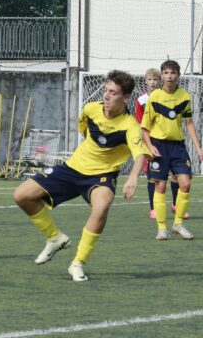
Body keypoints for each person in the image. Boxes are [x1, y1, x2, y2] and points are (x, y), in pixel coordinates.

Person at [13, 70, 149, 282]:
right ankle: (55, 238)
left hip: (102, 175)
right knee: (22, 195)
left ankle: (77, 263)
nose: (106, 96)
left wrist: (132, 178)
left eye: (113, 93)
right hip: (73, 168)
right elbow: (85, 130)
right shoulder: (90, 109)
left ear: (126, 97)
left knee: (102, 206)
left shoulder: (130, 126)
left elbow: (140, 155)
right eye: (105, 90)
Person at [141, 60, 203, 241]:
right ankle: (162, 228)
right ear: (162, 75)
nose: (169, 76)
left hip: (178, 147)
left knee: (185, 183)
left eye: (173, 72)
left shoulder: (185, 96)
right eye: (166, 72)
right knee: (160, 186)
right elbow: (144, 127)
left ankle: (178, 224)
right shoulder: (154, 97)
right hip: (158, 146)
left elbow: (189, 123)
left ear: (178, 75)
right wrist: (150, 145)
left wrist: (199, 148)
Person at [135, 68, 183, 220]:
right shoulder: (141, 100)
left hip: (170, 141)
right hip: (151, 141)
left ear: (160, 80)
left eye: (155, 79)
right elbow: (139, 122)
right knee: (154, 176)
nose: (153, 82)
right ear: (145, 81)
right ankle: (154, 209)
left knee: (176, 174)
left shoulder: (168, 96)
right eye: (150, 80)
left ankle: (176, 205)